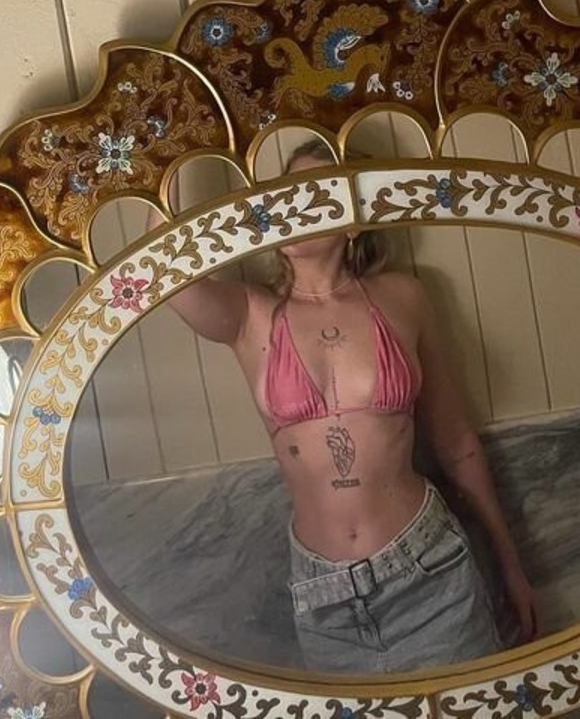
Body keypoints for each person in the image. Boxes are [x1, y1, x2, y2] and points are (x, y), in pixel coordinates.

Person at [152, 138, 536, 675]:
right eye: (286, 192)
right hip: (323, 595)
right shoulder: (250, 312)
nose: (294, 205)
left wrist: (512, 566)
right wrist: (181, 137)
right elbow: (163, 266)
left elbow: (457, 445)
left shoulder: (404, 297)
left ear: (354, 220)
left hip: (430, 569)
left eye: (315, 192)